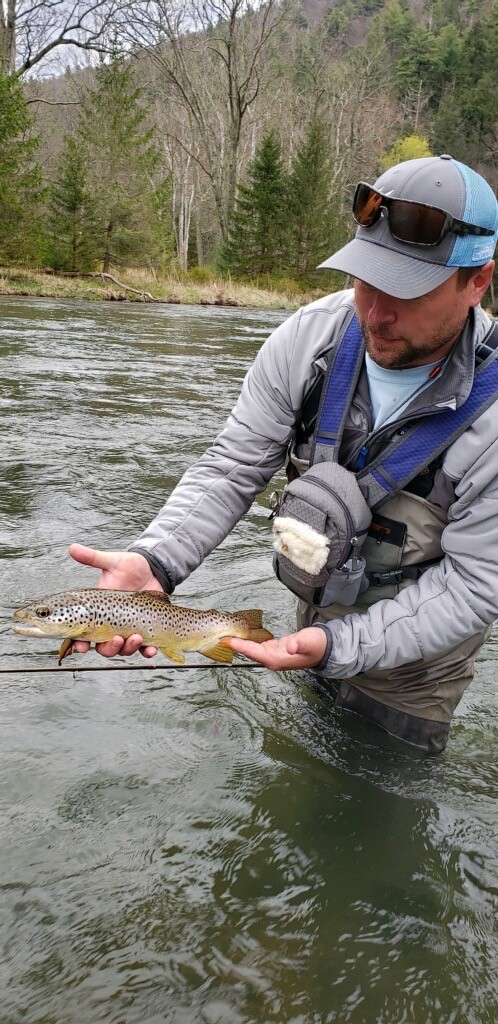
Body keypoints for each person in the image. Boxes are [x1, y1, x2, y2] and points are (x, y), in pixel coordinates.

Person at [70, 155, 498, 753]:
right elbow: (232, 466)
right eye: (365, 279)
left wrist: (342, 647)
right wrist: (156, 562)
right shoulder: (308, 338)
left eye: (408, 290)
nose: (374, 312)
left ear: (478, 280)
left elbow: (475, 586)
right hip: (314, 618)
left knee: (381, 797)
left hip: (417, 671)